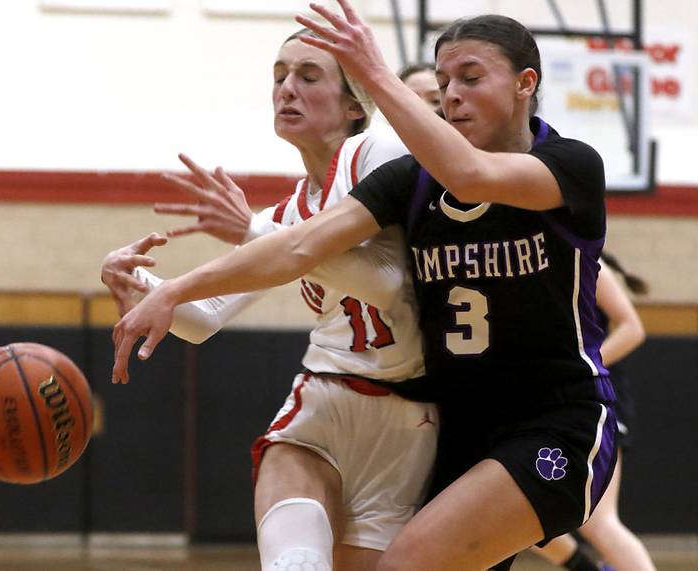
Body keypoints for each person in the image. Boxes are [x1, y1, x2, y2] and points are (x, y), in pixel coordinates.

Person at [110, 1, 618, 569]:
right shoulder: (410, 180)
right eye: (444, 80)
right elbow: (299, 245)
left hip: (553, 418)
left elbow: (472, 175)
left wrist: (374, 72)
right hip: (460, 426)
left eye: (470, 78)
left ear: (527, 83)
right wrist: (172, 289)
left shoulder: (571, 165)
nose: (451, 93)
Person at [102, 28, 439, 571]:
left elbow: (391, 287)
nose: (287, 88)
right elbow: (204, 320)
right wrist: (140, 287)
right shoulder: (284, 216)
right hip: (326, 397)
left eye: (308, 76)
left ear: (355, 104)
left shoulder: (375, 151)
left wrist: (257, 236)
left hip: (410, 417)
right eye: (279, 75)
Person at [535, 254, 655, 571]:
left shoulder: (583, 257)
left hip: (598, 396)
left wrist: (582, 366)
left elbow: (633, 328)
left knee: (599, 520)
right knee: (527, 508)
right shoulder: (531, 256)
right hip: (554, 400)